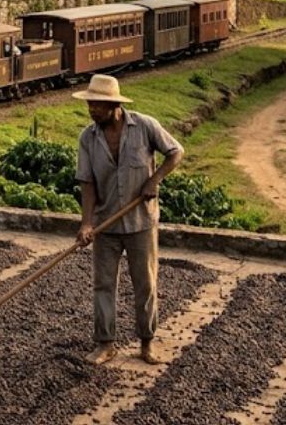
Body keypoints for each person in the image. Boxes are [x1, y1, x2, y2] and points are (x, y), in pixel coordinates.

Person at [73, 74, 183, 366]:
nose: (92, 110)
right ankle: (105, 344)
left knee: (145, 283)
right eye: (90, 104)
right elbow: (87, 184)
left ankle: (147, 343)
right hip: (105, 224)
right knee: (103, 284)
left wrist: (155, 180)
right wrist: (86, 223)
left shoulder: (144, 127)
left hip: (141, 223)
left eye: (97, 105)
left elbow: (176, 152)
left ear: (114, 106)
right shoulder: (88, 138)